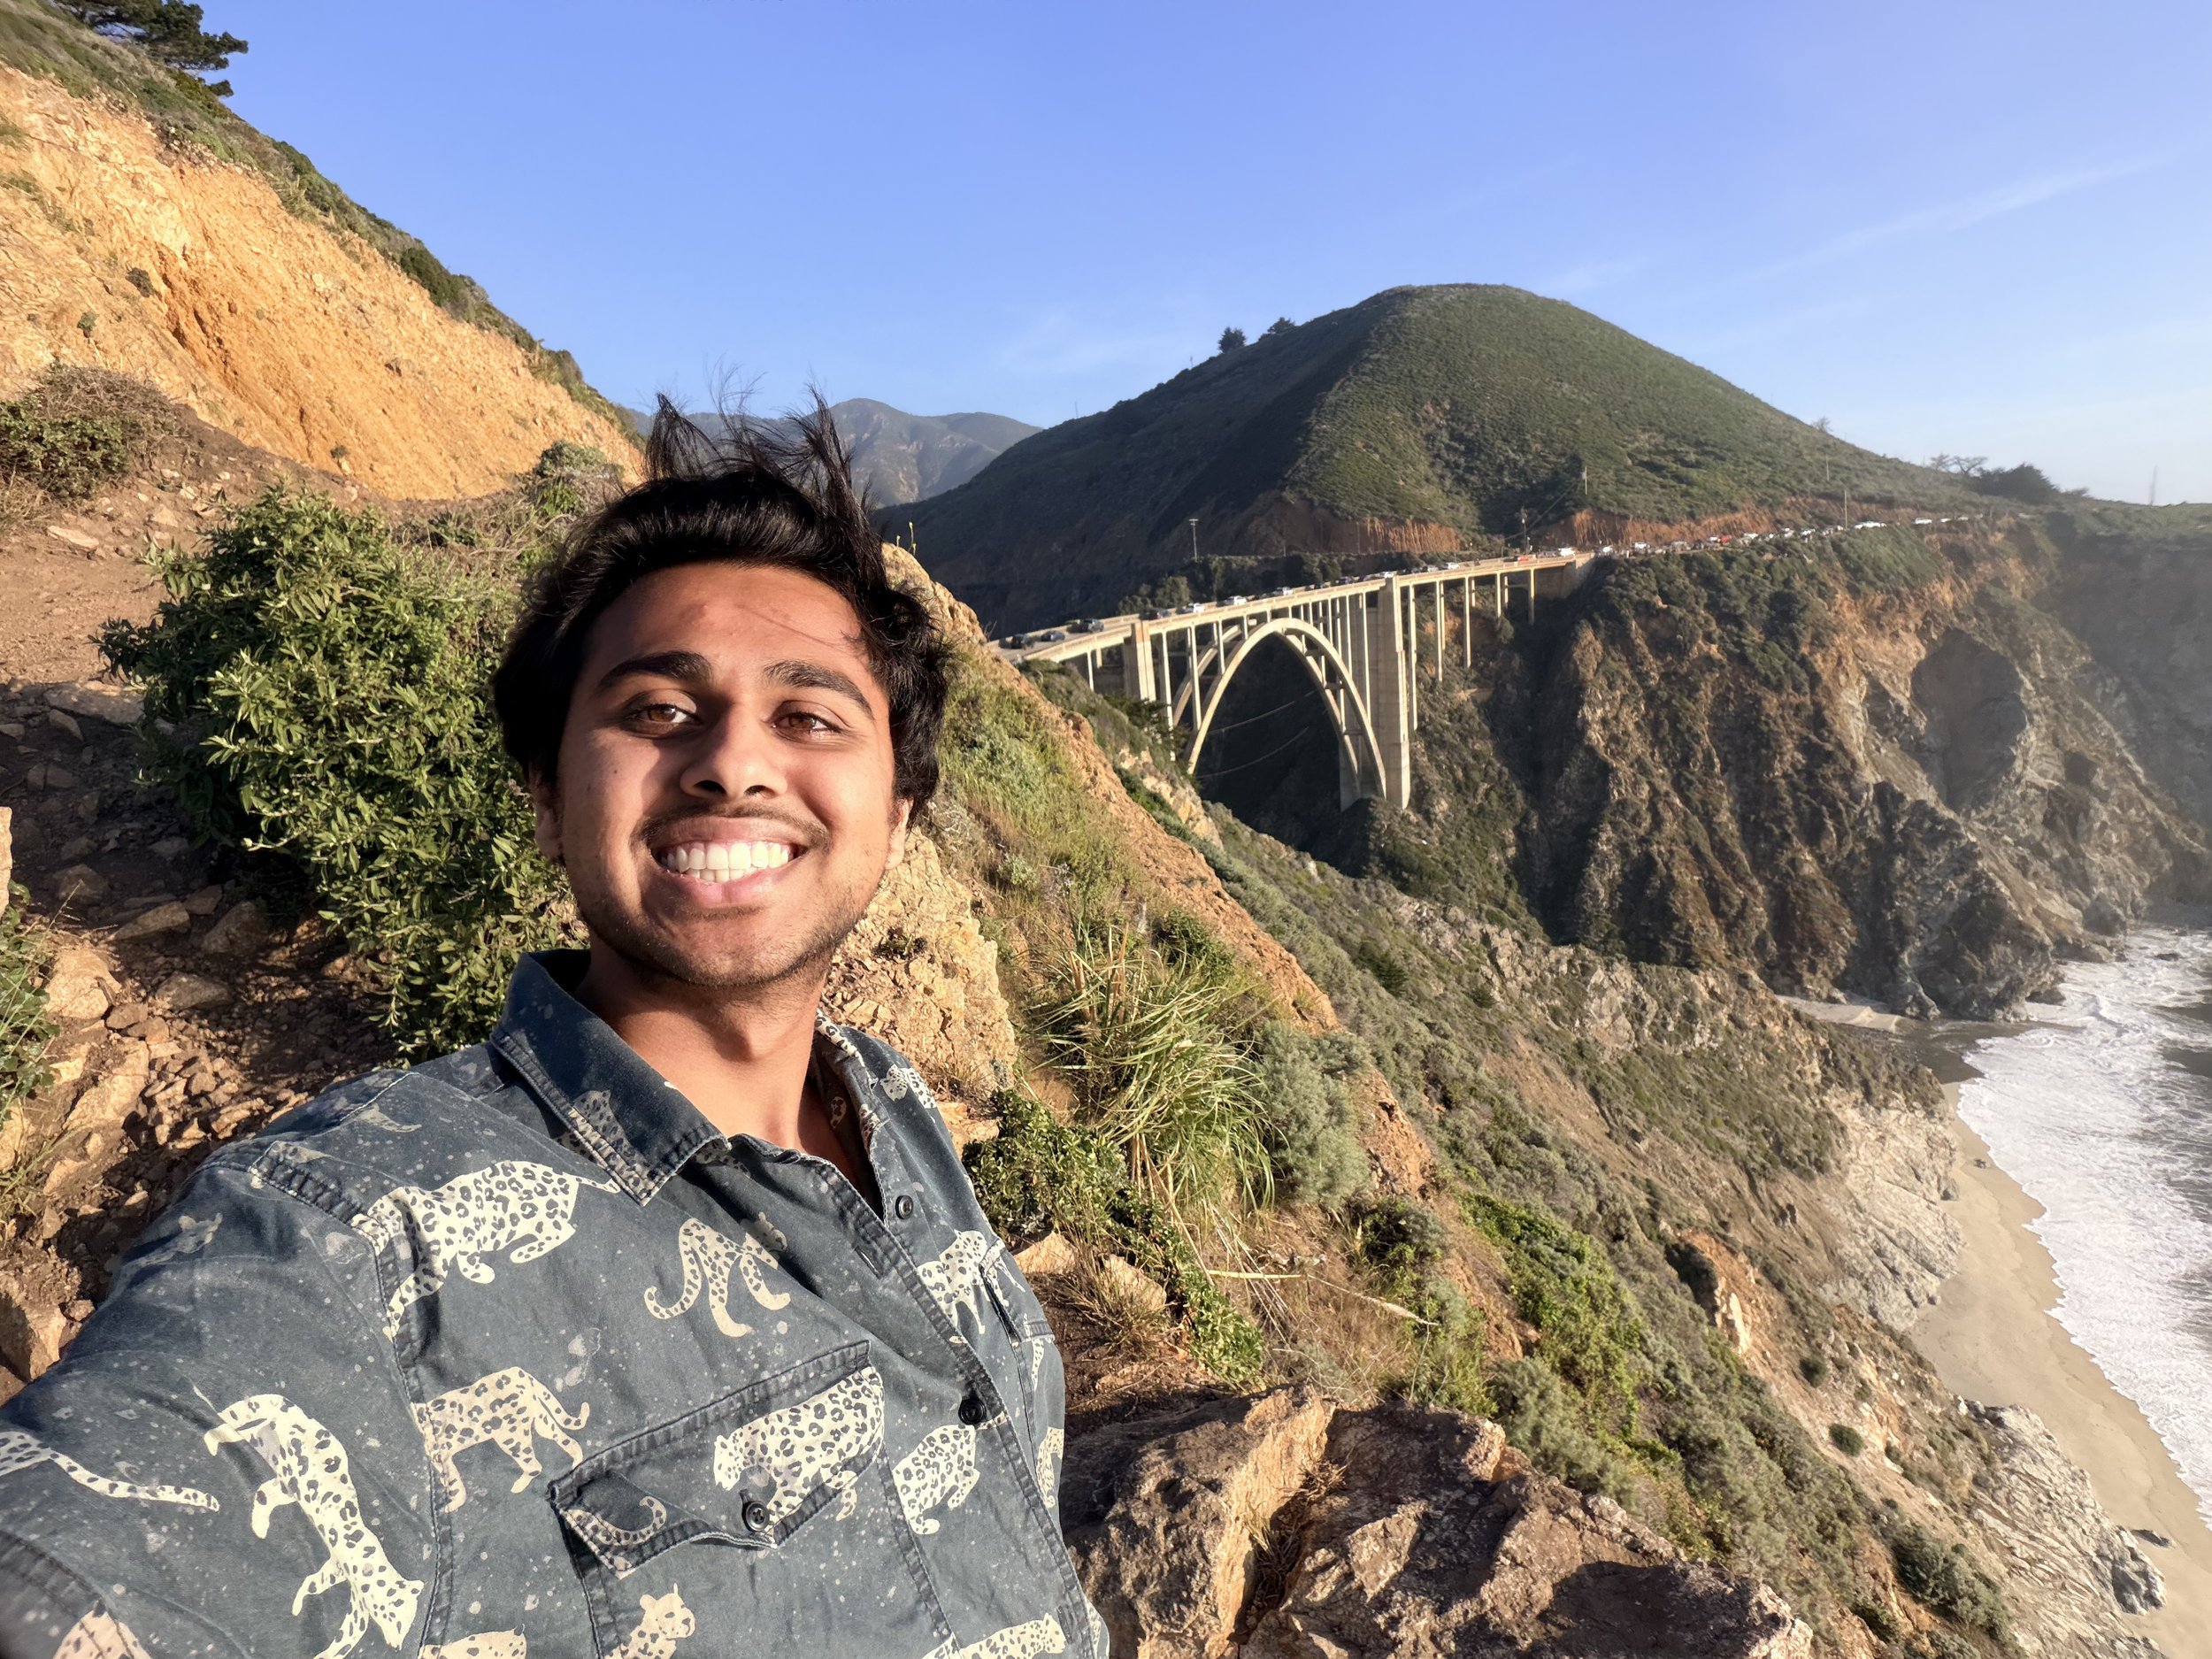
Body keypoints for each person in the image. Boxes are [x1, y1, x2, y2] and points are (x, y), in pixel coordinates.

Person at [0, 405, 1105, 1659]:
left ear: (898, 814)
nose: (733, 760)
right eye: (656, 712)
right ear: (545, 794)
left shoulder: (891, 1105)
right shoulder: (346, 1247)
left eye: (810, 717)